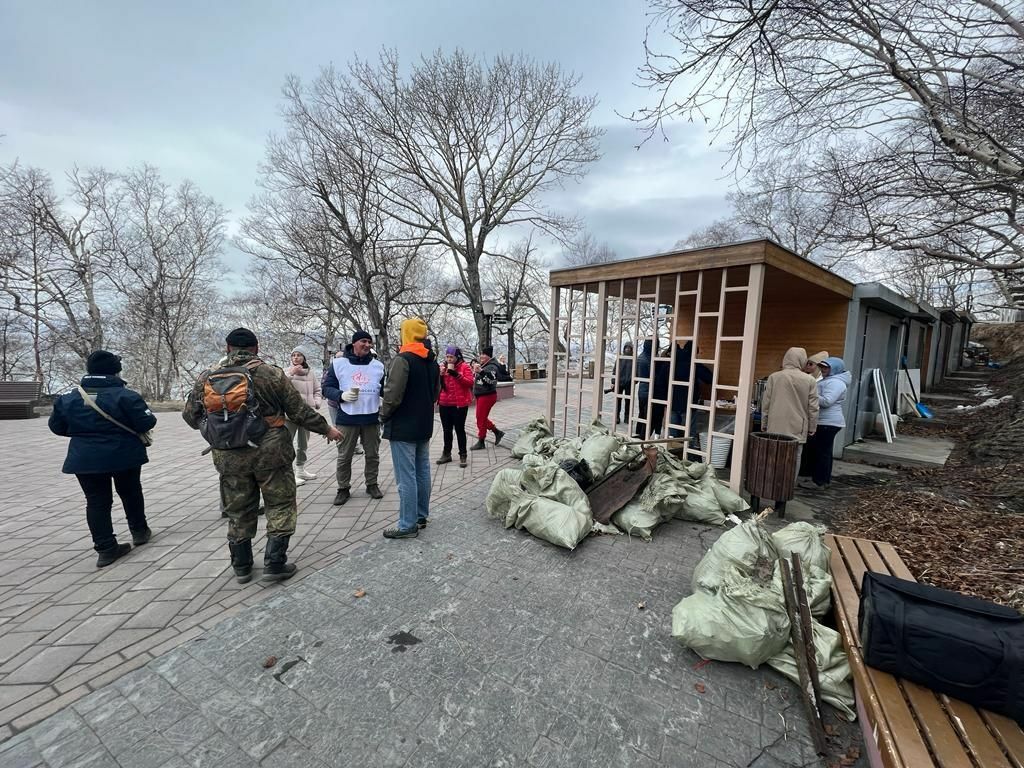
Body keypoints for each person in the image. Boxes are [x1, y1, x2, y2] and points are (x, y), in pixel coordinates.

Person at [183, 328, 342, 583]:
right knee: (279, 504)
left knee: (238, 509)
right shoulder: (271, 374)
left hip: (229, 456)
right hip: (271, 453)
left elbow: (190, 416)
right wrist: (327, 429)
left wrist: (219, 429)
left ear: (228, 348)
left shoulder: (207, 377)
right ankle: (275, 564)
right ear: (256, 348)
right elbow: (298, 412)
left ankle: (242, 567)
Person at [49, 350, 157, 568]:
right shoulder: (126, 396)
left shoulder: (68, 399)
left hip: (84, 458)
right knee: (130, 492)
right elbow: (146, 423)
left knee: (97, 501)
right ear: (115, 371)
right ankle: (139, 531)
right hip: (123, 455)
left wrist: (84, 434)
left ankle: (106, 548)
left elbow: (56, 427)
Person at [379, 317, 440, 538]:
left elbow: (392, 395)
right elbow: (435, 394)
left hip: (403, 426)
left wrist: (383, 416)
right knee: (422, 471)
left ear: (406, 334)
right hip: (424, 424)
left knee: (406, 476)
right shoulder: (432, 361)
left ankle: (407, 525)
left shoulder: (402, 359)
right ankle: (421, 516)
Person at [321, 330, 385, 506]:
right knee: (344, 456)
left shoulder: (378, 366)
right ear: (354, 343)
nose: (367, 345)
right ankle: (343, 488)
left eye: (369, 342)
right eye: (363, 341)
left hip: (371, 417)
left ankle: (371, 484)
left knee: (372, 454)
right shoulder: (339, 363)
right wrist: (341, 395)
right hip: (347, 418)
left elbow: (384, 390)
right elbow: (327, 388)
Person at [761, 347, 819, 479]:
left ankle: (772, 480)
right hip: (798, 425)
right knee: (795, 456)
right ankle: (789, 485)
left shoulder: (774, 377)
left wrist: (764, 423)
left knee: (774, 454)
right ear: (802, 360)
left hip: (775, 424)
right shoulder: (809, 380)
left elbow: (766, 403)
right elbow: (813, 407)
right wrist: (812, 427)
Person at [799, 357, 851, 490]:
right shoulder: (829, 380)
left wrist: (809, 395)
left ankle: (820, 481)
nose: (822, 370)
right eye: (821, 367)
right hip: (824, 421)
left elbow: (827, 401)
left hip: (828, 422)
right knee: (818, 451)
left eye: (826, 368)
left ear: (835, 369)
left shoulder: (836, 383)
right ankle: (817, 478)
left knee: (822, 452)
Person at [284, 348, 321, 486]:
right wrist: (291, 373)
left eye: (299, 355)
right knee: (287, 443)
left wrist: (316, 403)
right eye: (293, 355)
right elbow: (279, 385)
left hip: (306, 413)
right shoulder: (286, 372)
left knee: (303, 443)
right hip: (290, 414)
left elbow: (318, 390)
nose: (296, 358)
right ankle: (289, 474)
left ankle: (300, 469)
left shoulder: (310, 373)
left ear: (304, 357)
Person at [437, 345, 474, 467]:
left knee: (459, 429)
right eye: (447, 357)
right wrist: (440, 375)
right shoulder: (443, 366)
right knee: (446, 430)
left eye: (451, 357)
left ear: (457, 357)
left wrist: (457, 375)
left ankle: (463, 454)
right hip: (444, 403)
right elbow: (438, 385)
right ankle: (446, 453)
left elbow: (470, 382)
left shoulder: (464, 367)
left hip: (459, 404)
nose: (449, 359)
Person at [668, 341, 713, 439]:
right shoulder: (694, 364)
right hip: (688, 403)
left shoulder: (673, 362)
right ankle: (688, 454)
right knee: (689, 434)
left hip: (672, 401)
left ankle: (670, 452)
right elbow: (709, 378)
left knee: (672, 434)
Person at [470, 346, 505, 450]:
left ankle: (481, 441)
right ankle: (497, 432)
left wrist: (481, 372)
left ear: (488, 356)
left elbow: (491, 381)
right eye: (481, 354)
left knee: (480, 418)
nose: (481, 356)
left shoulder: (492, 367)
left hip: (487, 395)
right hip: (482, 395)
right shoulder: (485, 365)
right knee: (481, 418)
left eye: (484, 354)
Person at [633, 339, 669, 438]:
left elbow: (636, 375)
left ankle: (638, 434)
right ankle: (643, 437)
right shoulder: (650, 360)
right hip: (650, 390)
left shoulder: (640, 357)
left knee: (642, 414)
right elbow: (654, 375)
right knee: (649, 416)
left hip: (641, 390)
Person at [613, 342, 634, 425]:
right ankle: (617, 416)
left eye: (629, 348)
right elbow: (615, 371)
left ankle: (627, 417)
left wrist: (634, 381)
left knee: (628, 401)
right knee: (618, 401)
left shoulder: (633, 359)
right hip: (619, 382)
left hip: (629, 383)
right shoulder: (620, 358)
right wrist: (613, 382)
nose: (627, 349)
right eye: (626, 348)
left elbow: (636, 371)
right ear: (624, 348)